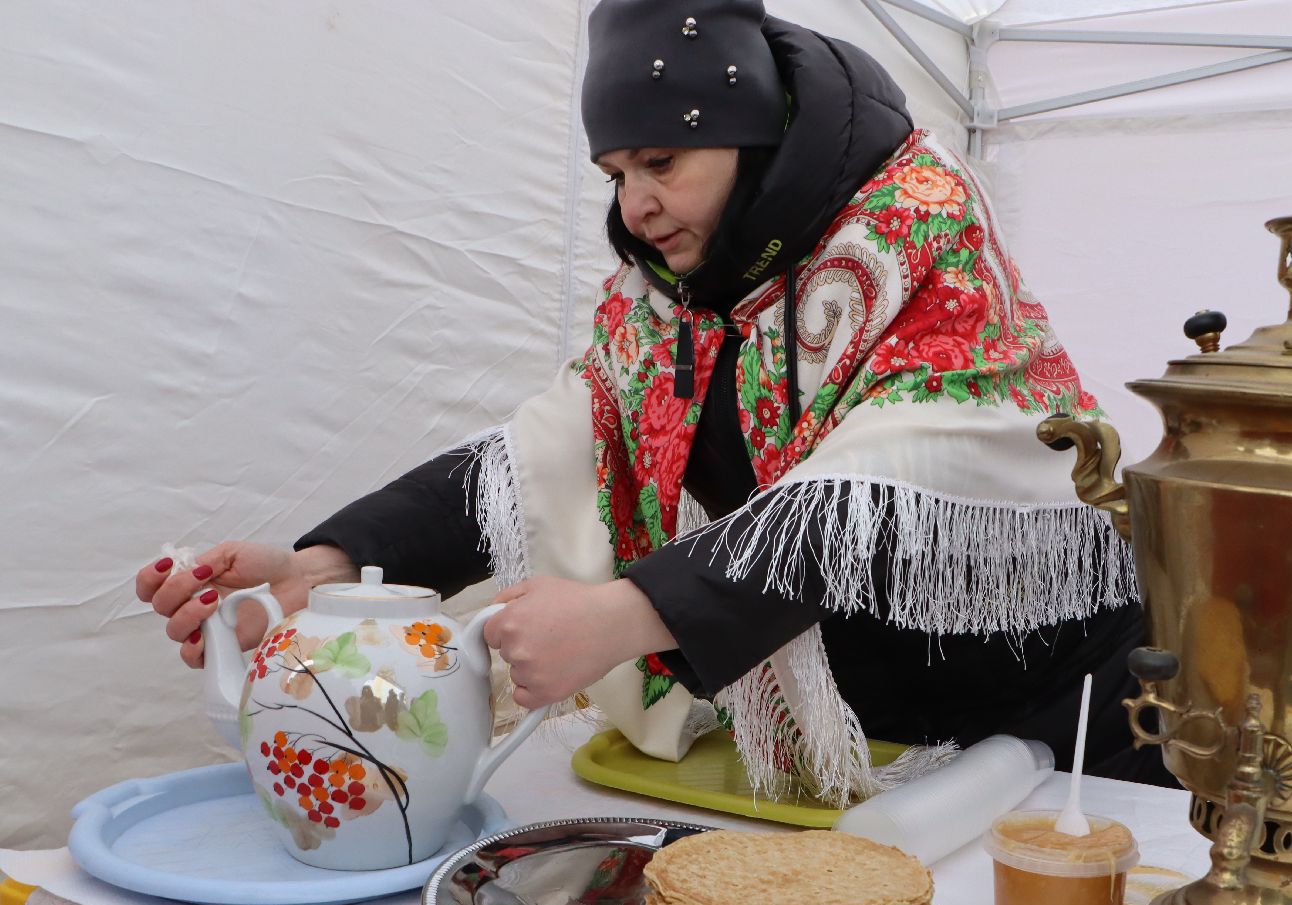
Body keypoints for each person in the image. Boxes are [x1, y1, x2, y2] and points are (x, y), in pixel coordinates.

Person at [136, 0, 1172, 802]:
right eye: (616, 171)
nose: (633, 204)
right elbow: (542, 452)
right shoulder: (676, 289)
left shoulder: (914, 217)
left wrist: (631, 613)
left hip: (1065, 718)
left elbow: (901, 485)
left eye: (660, 162)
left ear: (751, 132)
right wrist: (336, 567)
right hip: (871, 739)